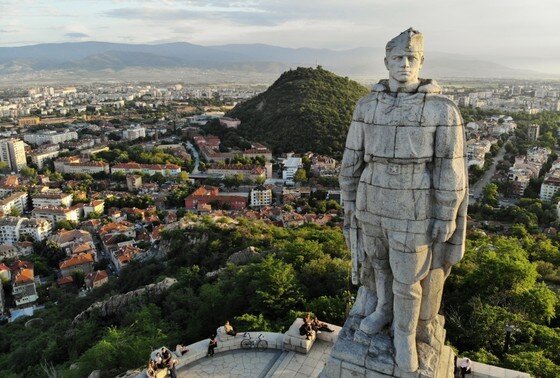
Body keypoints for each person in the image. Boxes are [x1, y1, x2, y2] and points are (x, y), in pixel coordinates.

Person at [340, 27, 467, 372]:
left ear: (421, 61)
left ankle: (404, 335)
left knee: (409, 278)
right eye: (397, 57)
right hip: (371, 194)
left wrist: (446, 214)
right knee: (377, 262)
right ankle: (382, 309)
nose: (404, 64)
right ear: (386, 61)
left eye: (411, 58)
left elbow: (449, 167)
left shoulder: (441, 109)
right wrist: (349, 197)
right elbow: (352, 155)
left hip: (416, 203)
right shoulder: (367, 105)